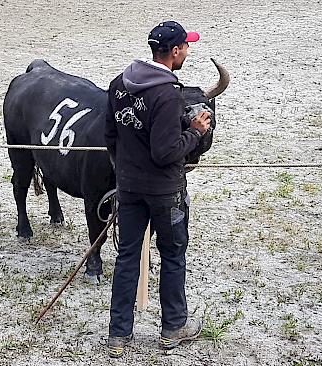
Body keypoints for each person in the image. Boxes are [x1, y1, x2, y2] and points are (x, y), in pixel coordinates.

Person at [104, 21, 212, 357]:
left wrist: (124, 172)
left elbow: (109, 136)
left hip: (129, 188)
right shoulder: (167, 95)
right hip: (165, 193)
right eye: (186, 46)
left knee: (127, 258)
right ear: (175, 50)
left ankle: (118, 336)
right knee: (173, 255)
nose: (188, 51)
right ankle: (173, 327)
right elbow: (164, 153)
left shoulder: (118, 84)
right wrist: (195, 131)